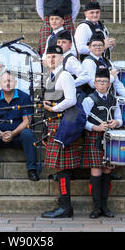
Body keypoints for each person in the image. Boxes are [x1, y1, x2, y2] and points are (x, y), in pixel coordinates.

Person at [41, 45, 80, 218]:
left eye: (55, 56)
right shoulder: (51, 76)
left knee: (62, 168)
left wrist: (55, 108)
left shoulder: (64, 75)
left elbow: (71, 100)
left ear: (62, 58)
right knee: (59, 167)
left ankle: (66, 207)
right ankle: (64, 204)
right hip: (53, 124)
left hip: (62, 124)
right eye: (49, 56)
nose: (51, 59)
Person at [81, 68, 123, 219]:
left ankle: (105, 206)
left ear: (109, 84)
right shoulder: (89, 99)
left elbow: (120, 119)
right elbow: (82, 120)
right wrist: (96, 127)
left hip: (109, 139)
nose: (102, 84)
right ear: (94, 83)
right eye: (99, 81)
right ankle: (96, 207)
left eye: (105, 81)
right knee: (96, 171)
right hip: (94, 137)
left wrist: (115, 123)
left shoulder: (114, 99)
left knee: (107, 172)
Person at [56, 29, 90, 102]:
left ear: (70, 45)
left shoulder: (70, 60)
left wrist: (70, 85)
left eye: (64, 42)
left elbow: (85, 77)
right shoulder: (58, 58)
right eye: (58, 42)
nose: (60, 44)